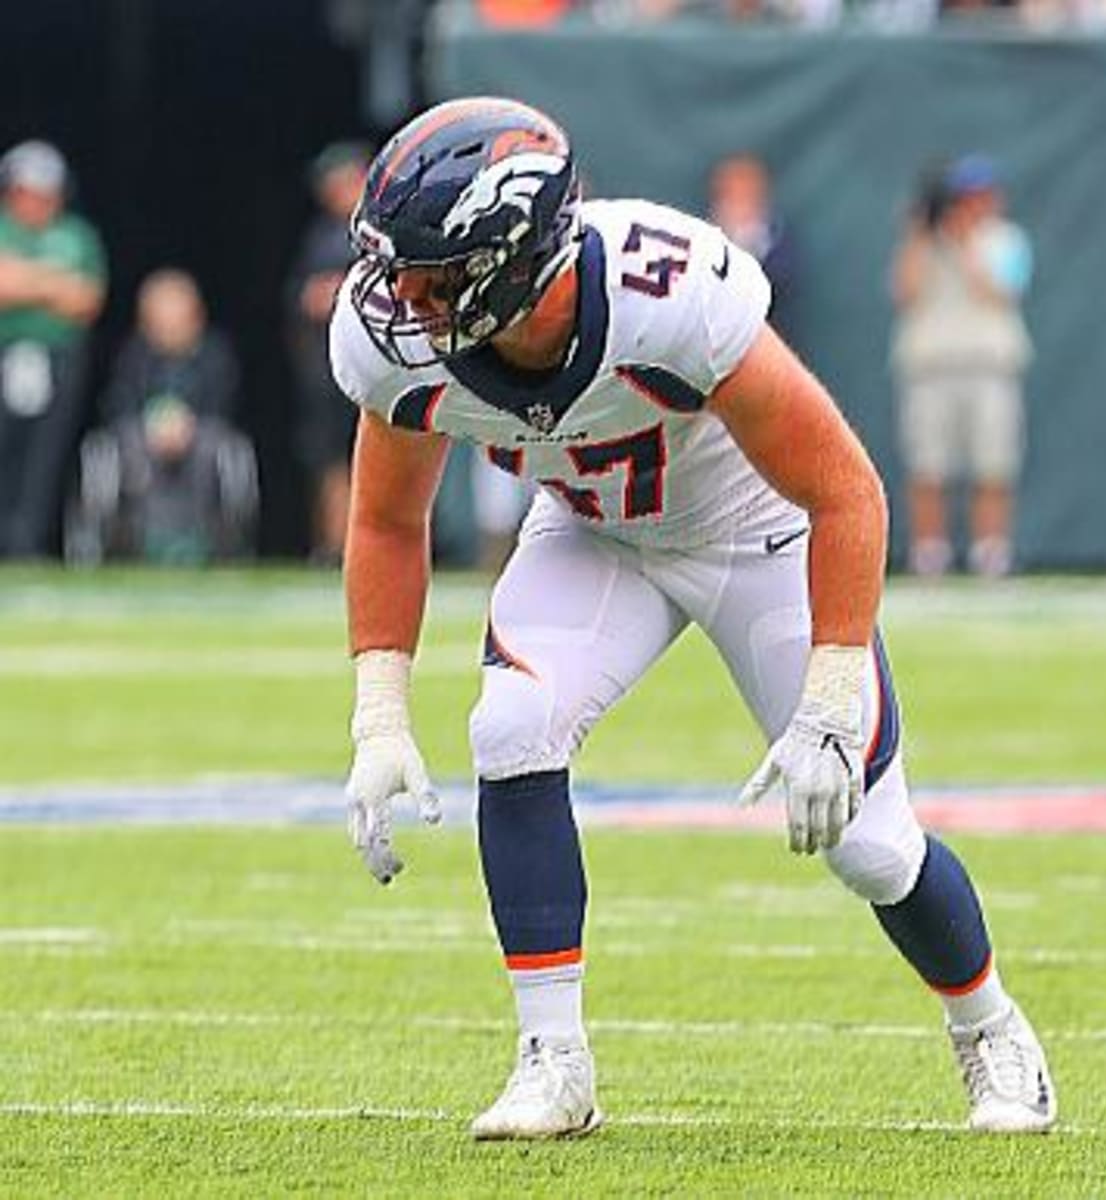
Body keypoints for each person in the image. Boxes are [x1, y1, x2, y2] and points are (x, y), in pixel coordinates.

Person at [330, 97, 1056, 1140]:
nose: (397, 296)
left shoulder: (663, 294)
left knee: (867, 842)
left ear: (512, 263)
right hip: (593, 531)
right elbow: (388, 519)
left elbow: (846, 490)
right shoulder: (399, 342)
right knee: (509, 729)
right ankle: (553, 1062)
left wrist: (831, 695)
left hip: (752, 529)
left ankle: (990, 1028)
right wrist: (379, 710)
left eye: (429, 274)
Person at [890, 155, 1033, 578]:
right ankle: (929, 554)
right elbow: (906, 292)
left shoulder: (1007, 240)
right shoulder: (922, 244)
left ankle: (991, 552)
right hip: (931, 367)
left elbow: (998, 291)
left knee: (994, 463)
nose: (971, 206)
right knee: (927, 465)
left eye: (979, 197)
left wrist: (965, 241)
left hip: (989, 367)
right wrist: (921, 234)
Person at [81, 268, 256, 564]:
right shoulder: (133, 356)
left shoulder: (215, 356)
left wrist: (189, 426)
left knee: (214, 448)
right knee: (127, 448)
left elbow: (224, 407)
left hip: (201, 439)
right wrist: (152, 427)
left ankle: (205, 541)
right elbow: (118, 406)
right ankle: (136, 538)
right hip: (141, 442)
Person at [0, 140, 106, 558]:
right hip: (6, 351)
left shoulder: (75, 235)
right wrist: (52, 282)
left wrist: (23, 279)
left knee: (44, 458)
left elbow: (86, 298)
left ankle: (26, 545)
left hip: (60, 359)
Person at [286, 141, 372, 564]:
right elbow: (302, 297)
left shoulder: (385, 230)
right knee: (329, 457)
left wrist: (342, 293)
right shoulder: (321, 235)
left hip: (379, 369)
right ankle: (335, 545)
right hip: (326, 370)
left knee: (378, 457)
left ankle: (372, 544)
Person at [707, 152, 799, 345]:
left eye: (745, 193)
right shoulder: (704, 238)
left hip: (766, 345)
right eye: (730, 193)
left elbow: (780, 281)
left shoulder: (778, 238)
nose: (738, 201)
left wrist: (746, 240)